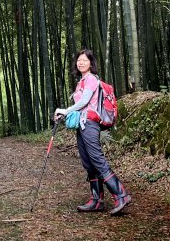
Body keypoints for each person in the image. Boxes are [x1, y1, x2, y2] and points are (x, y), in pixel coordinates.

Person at [54, 48, 131, 215]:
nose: (81, 62)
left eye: (85, 60)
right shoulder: (80, 82)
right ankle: (97, 200)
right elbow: (78, 107)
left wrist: (65, 110)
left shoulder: (91, 80)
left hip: (90, 124)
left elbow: (84, 102)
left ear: (91, 63)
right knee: (88, 162)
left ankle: (121, 195)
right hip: (81, 125)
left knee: (96, 158)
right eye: (79, 60)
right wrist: (64, 115)